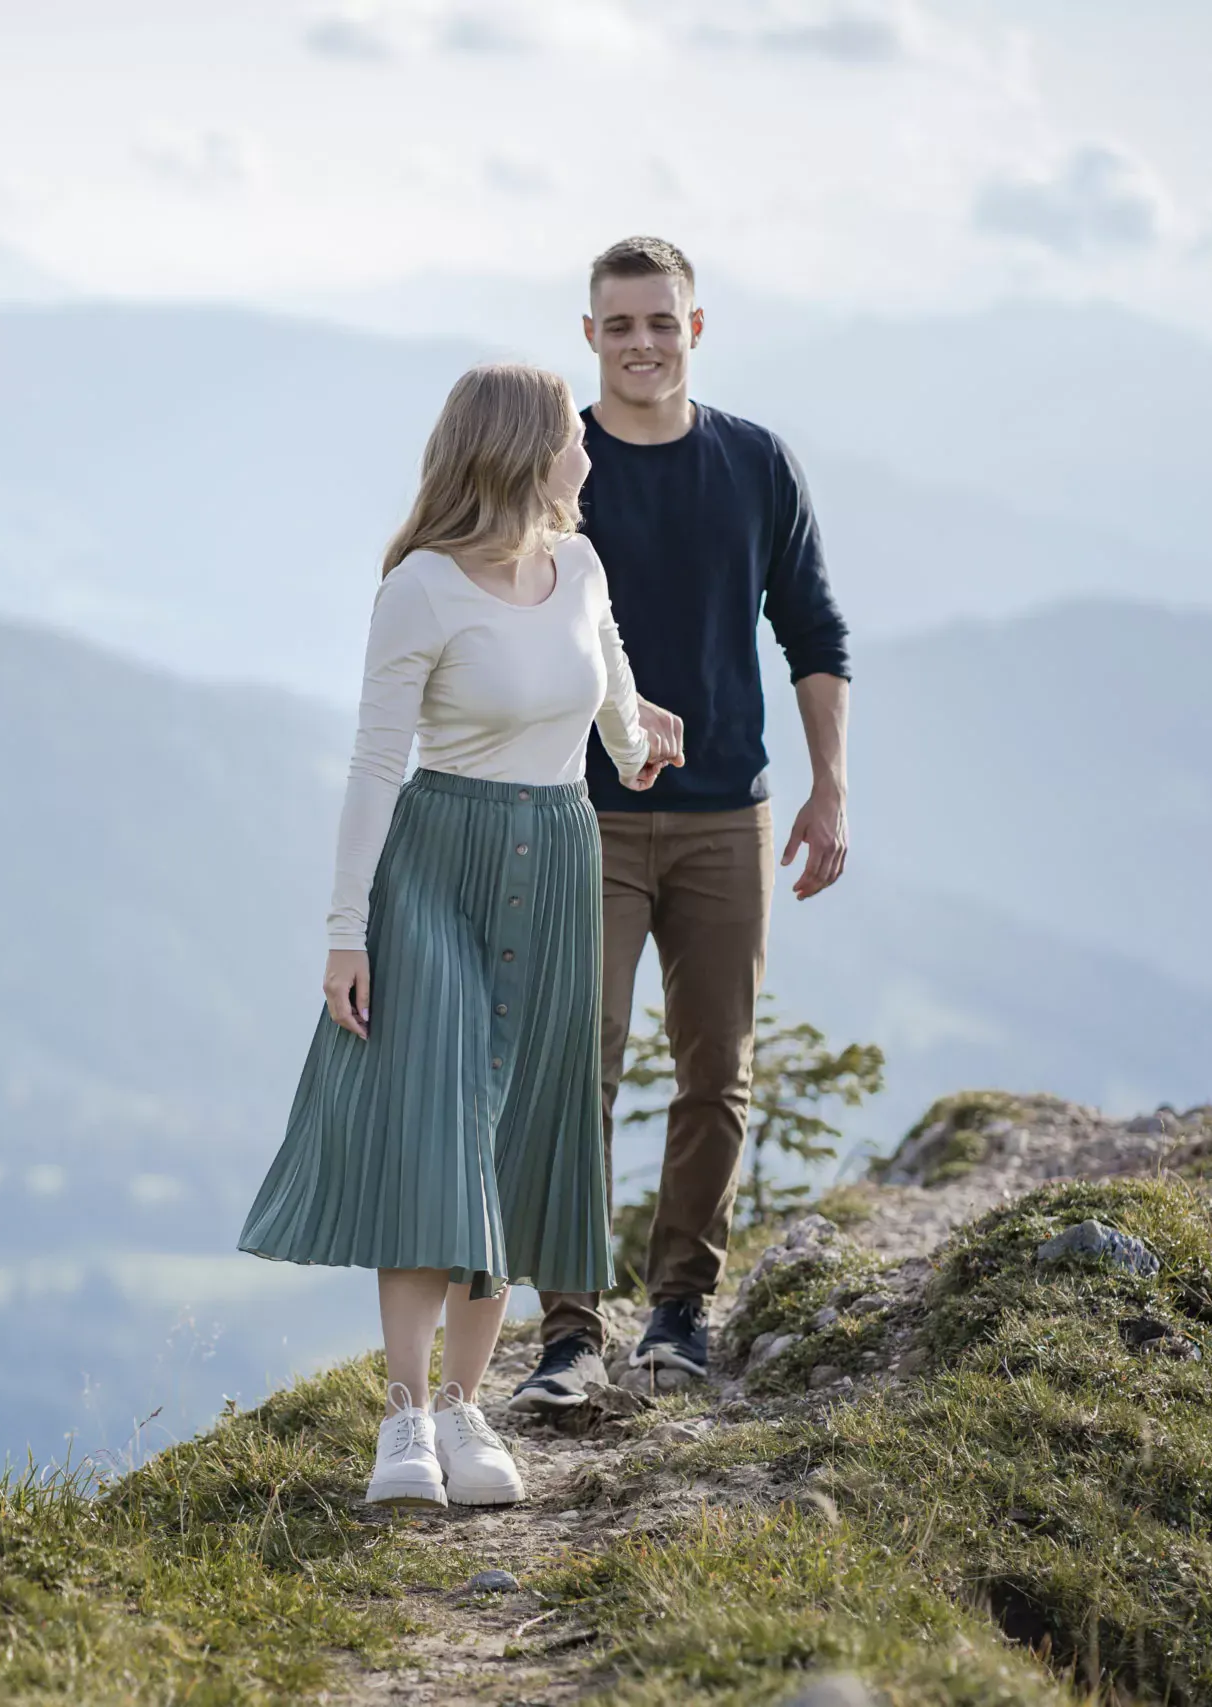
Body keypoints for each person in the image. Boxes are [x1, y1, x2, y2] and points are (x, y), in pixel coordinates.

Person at [238, 362, 685, 1506]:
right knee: (437, 1137)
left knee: (515, 1141)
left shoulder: (580, 566)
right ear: (524, 451)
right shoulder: (422, 588)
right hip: (436, 869)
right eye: (570, 433)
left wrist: (643, 746)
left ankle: (463, 1409)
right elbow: (375, 761)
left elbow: (614, 708)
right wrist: (347, 933)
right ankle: (403, 1419)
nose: (587, 447)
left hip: (561, 858)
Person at [509, 236, 853, 1413]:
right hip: (580, 817)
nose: (642, 343)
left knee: (717, 1072)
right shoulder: (555, 469)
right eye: (619, 325)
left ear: (694, 329)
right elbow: (501, 627)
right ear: (588, 336)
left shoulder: (754, 463)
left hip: (725, 820)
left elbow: (813, 631)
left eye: (662, 321)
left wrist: (829, 786)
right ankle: (567, 1334)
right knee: (574, 1071)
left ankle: (678, 1312)